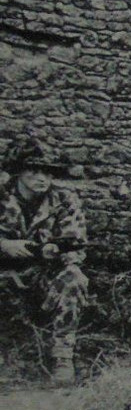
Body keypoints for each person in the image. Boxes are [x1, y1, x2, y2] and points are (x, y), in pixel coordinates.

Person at [0, 141, 88, 383]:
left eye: (48, 172)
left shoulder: (64, 199)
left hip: (44, 272)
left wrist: (55, 251)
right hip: (4, 273)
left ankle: (62, 356)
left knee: (74, 279)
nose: (42, 178)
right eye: (35, 171)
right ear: (18, 171)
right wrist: (5, 246)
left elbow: (76, 243)